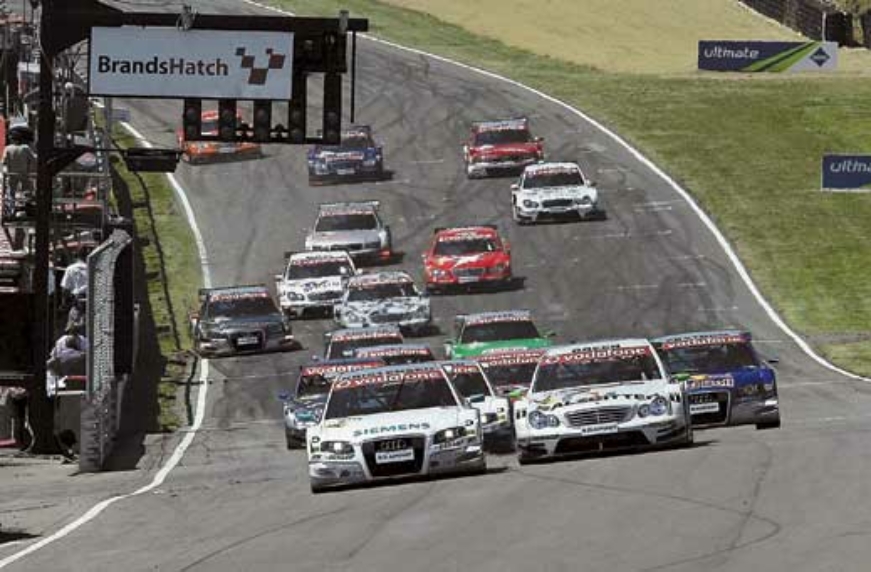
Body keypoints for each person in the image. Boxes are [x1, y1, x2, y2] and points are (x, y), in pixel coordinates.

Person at [2, 129, 37, 217]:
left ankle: (11, 211)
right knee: (27, 191)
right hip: (23, 174)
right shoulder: (25, 148)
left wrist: (6, 172)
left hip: (12, 174)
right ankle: (28, 209)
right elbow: (33, 159)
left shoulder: (8, 148)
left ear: (12, 139)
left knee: (11, 194)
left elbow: (4, 162)